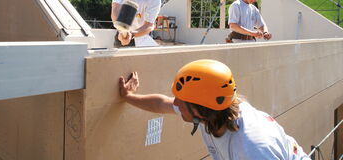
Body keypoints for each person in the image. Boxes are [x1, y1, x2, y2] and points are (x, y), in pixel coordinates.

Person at [119, 59, 310, 160]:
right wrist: (128, 96)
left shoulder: (252, 148)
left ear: (201, 110)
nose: (175, 104)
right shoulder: (212, 110)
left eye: (181, 101)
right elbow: (161, 104)